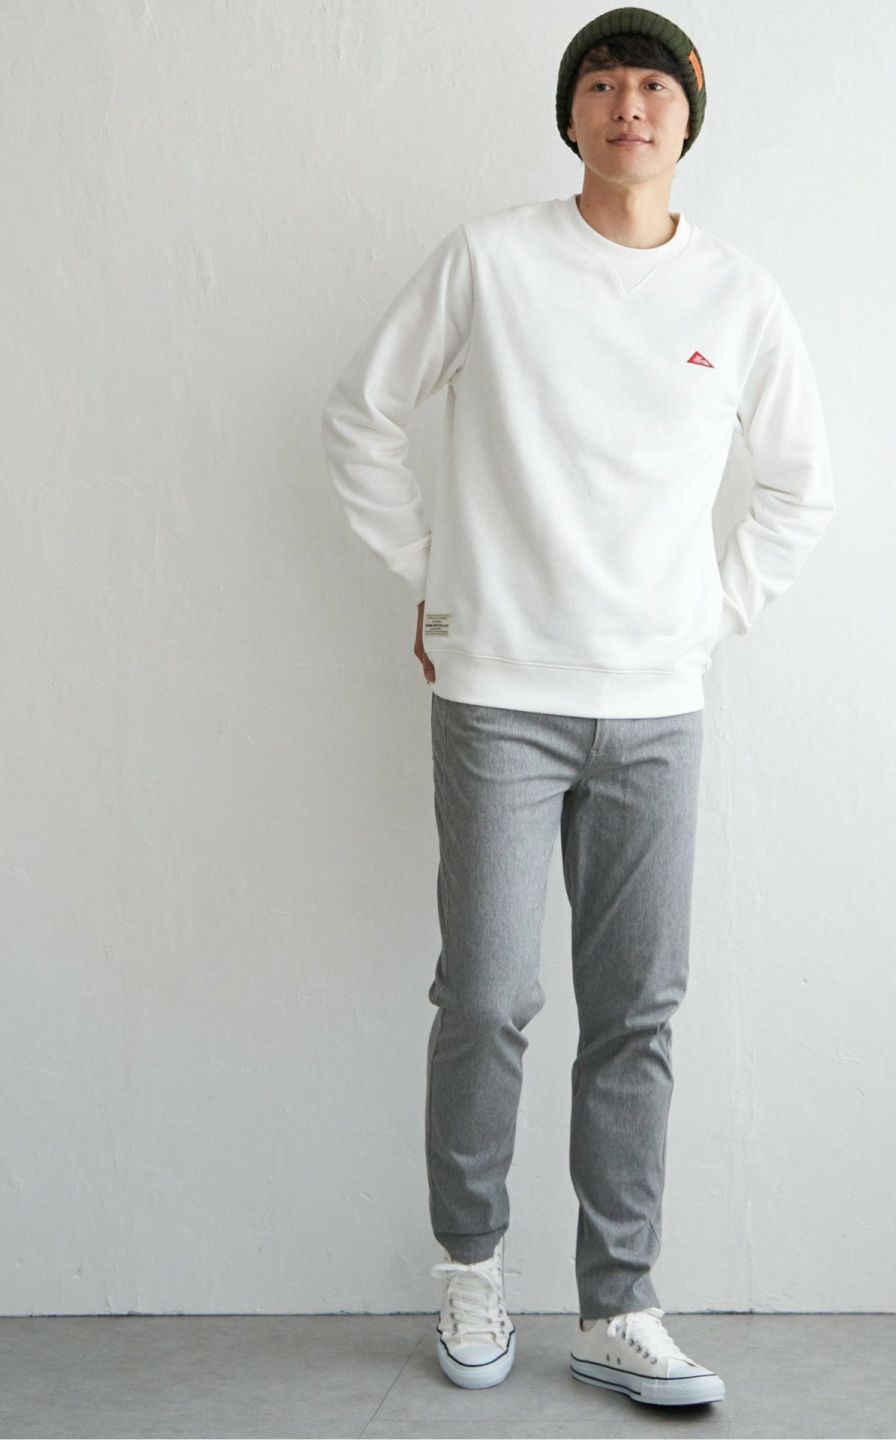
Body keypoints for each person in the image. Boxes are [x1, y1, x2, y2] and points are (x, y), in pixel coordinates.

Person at [320, 6, 835, 1409]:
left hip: (658, 705)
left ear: (689, 115)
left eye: (654, 84)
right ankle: (471, 1269)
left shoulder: (738, 296)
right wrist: (435, 581)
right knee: (487, 994)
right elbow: (360, 416)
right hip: (498, 692)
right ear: (570, 115)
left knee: (636, 1010)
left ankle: (619, 1305)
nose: (629, 105)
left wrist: (714, 614)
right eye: (602, 83)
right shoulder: (490, 261)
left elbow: (803, 486)